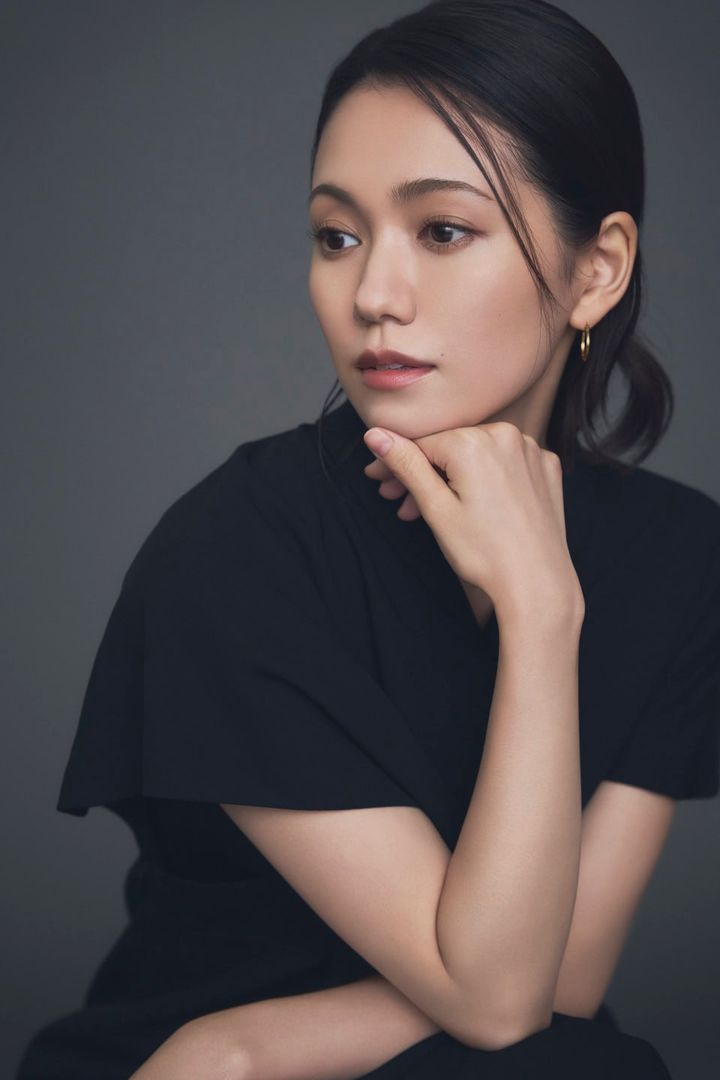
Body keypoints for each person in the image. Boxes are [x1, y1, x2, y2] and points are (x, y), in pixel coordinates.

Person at [17, 1, 720, 1077]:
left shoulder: (679, 556)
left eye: (443, 231)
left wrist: (541, 607)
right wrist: (224, 1048)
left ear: (597, 270)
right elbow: (498, 995)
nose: (373, 295)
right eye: (337, 236)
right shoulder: (236, 549)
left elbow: (558, 977)